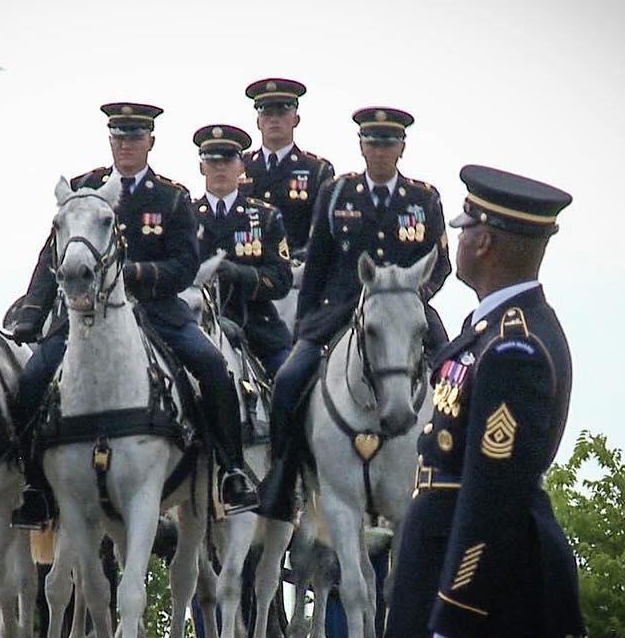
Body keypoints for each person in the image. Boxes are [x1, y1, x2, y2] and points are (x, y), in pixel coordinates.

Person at [385, 165, 583, 638]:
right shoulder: (488, 330)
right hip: (484, 591)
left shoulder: (512, 348)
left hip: (496, 597)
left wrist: (456, 613)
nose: (457, 240)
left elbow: (493, 494)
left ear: (485, 243)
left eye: (463, 227)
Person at [7, 102, 258, 529]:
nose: (127, 144)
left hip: (158, 311)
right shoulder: (83, 191)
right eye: (119, 137)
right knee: (31, 380)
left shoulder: (170, 197)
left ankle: (230, 472)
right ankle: (33, 486)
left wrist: (134, 274)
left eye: (135, 137)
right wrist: (32, 312)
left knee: (214, 368)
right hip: (84, 315)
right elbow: (52, 257)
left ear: (150, 142)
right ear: (110, 140)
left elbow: (184, 264)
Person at [256, 106, 451, 522]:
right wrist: (304, 328)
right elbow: (319, 265)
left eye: (388, 143)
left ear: (401, 147)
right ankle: (283, 480)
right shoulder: (338, 193)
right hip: (340, 309)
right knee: (289, 381)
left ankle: (452, 474)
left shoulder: (423, 199)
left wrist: (416, 295)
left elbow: (442, 264)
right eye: (372, 143)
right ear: (361, 146)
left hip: (406, 310)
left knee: (454, 377)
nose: (380, 151)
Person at [191, 123, 293, 376]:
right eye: (212, 161)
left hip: (257, 328)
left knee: (289, 383)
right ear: (201, 166)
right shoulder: (185, 216)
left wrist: (239, 274)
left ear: (240, 165)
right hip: (197, 324)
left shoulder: (265, 217)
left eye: (227, 160)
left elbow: (281, 279)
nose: (220, 168)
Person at [241, 78, 335, 256]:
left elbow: (321, 232)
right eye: (267, 113)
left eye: (282, 112)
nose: (274, 119)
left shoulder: (317, 170)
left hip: (294, 266)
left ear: (296, 119)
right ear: (258, 121)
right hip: (244, 265)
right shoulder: (240, 166)